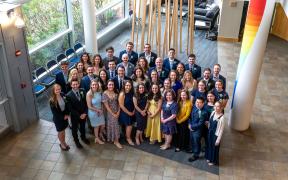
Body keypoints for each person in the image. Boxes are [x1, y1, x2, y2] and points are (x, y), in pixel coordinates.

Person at [66, 79, 90, 148]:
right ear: (71, 85)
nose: (75, 86)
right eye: (73, 84)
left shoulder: (82, 91)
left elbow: (86, 103)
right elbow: (70, 108)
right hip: (75, 116)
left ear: (79, 84)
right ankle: (76, 141)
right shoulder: (68, 95)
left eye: (76, 84)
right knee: (74, 129)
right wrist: (79, 115)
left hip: (83, 114)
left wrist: (85, 113)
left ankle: (83, 137)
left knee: (83, 127)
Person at [102, 80, 122, 149]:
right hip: (110, 113)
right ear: (107, 85)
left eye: (112, 85)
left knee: (116, 125)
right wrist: (113, 114)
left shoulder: (116, 91)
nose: (111, 86)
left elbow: (119, 103)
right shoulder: (105, 93)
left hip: (117, 111)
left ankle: (114, 139)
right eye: (109, 85)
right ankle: (116, 141)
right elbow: (106, 106)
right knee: (114, 125)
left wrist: (119, 111)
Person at [49, 84, 70, 151]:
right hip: (58, 119)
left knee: (63, 131)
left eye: (59, 89)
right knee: (60, 132)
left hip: (65, 117)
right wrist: (63, 117)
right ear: (53, 91)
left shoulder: (63, 94)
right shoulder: (52, 100)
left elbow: (66, 104)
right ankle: (61, 144)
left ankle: (64, 142)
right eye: (56, 90)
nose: (58, 91)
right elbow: (55, 113)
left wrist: (67, 114)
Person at [188, 97, 208, 161]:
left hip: (198, 130)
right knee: (192, 140)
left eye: (199, 102)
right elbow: (190, 117)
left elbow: (200, 123)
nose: (198, 104)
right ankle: (193, 150)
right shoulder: (194, 108)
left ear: (203, 103)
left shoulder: (204, 112)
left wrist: (192, 127)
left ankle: (196, 154)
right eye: (197, 102)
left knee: (196, 141)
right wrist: (189, 124)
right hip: (191, 127)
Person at [86, 80, 105, 144]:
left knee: (103, 125)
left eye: (96, 84)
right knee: (96, 126)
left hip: (100, 111)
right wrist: (98, 110)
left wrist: (101, 110)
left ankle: (100, 134)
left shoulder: (99, 91)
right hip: (93, 112)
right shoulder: (89, 94)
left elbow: (102, 102)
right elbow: (89, 106)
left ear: (97, 85)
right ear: (91, 85)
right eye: (93, 84)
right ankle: (97, 138)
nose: (94, 86)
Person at [206, 101, 225, 166]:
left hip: (215, 135)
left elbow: (221, 130)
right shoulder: (213, 112)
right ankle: (209, 157)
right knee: (209, 145)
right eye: (215, 106)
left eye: (218, 106)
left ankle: (213, 161)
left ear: (221, 108)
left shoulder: (222, 118)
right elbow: (210, 121)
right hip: (210, 132)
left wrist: (218, 140)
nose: (216, 108)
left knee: (215, 148)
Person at [118, 80, 135, 145]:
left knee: (130, 125)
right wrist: (129, 113)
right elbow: (121, 105)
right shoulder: (122, 94)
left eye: (129, 85)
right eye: (127, 85)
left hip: (131, 110)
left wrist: (133, 110)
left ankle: (127, 136)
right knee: (129, 125)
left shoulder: (131, 93)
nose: (128, 87)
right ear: (124, 86)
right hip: (125, 112)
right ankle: (128, 138)